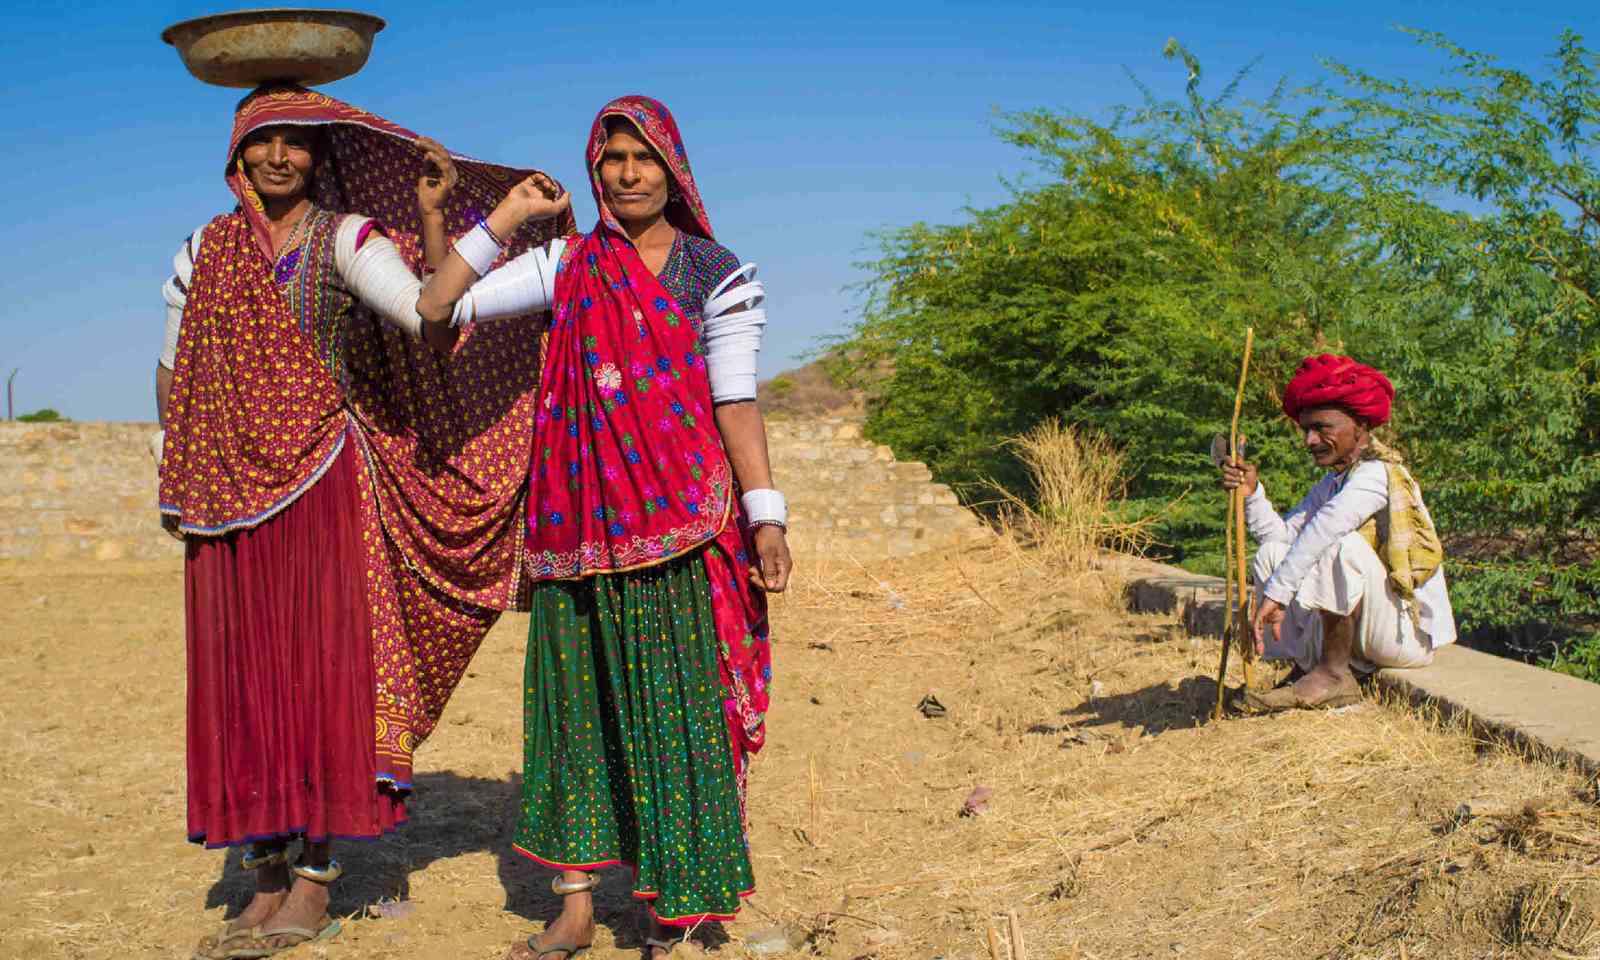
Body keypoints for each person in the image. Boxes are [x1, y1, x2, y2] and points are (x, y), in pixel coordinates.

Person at [158, 85, 572, 958]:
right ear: (237, 154)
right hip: (226, 501)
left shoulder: (344, 239)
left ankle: (314, 875)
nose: (280, 159)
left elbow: (430, 310)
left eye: (296, 144)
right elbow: (174, 374)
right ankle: (261, 873)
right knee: (244, 678)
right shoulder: (203, 250)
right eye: (263, 141)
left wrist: (464, 220)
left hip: (320, 482)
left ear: (319, 156)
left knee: (314, 674)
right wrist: (191, 466)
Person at [415, 95, 790, 960]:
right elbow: (439, 308)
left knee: (678, 713)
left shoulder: (715, 274)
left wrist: (765, 514)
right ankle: (576, 907)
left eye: (644, 158)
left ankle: (680, 909)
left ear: (674, 170)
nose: (627, 174)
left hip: (684, 527)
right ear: (594, 171)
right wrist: (498, 219)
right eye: (613, 159)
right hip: (574, 525)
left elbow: (735, 402)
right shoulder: (564, 264)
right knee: (574, 717)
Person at [1219, 354, 1456, 712]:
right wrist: (1252, 494)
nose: (1310, 440)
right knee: (1272, 555)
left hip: (1401, 638)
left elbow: (1323, 531)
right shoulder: (1331, 484)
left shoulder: (1377, 475)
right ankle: (1308, 668)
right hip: (1363, 637)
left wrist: (1279, 595)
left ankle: (1333, 676)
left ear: (1360, 425)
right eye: (1306, 430)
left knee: (1337, 544)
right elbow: (1281, 539)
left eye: (1322, 428)